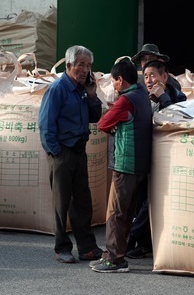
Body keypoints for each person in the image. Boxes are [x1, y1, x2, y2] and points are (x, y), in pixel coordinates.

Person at [38, 45, 104, 264]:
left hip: (79, 150)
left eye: (88, 65)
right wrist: (55, 153)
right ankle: (62, 248)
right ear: (69, 66)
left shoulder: (83, 90)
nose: (85, 70)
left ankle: (87, 247)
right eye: (81, 65)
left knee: (82, 201)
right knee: (61, 203)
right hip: (62, 153)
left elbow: (95, 118)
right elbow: (46, 124)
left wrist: (93, 95)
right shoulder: (58, 89)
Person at [89, 59, 153, 273]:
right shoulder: (142, 94)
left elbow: (103, 123)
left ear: (120, 80)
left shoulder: (126, 101)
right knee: (126, 211)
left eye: (114, 81)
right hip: (141, 165)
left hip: (125, 163)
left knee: (116, 212)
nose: (113, 85)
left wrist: (115, 122)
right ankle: (117, 253)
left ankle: (114, 259)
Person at [124, 59, 188, 260]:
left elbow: (177, 121)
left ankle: (133, 234)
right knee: (142, 198)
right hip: (146, 155)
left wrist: (163, 98)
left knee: (153, 200)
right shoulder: (144, 96)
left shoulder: (178, 96)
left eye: (153, 75)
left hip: (168, 159)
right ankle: (143, 243)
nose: (149, 80)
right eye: (145, 77)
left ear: (164, 76)